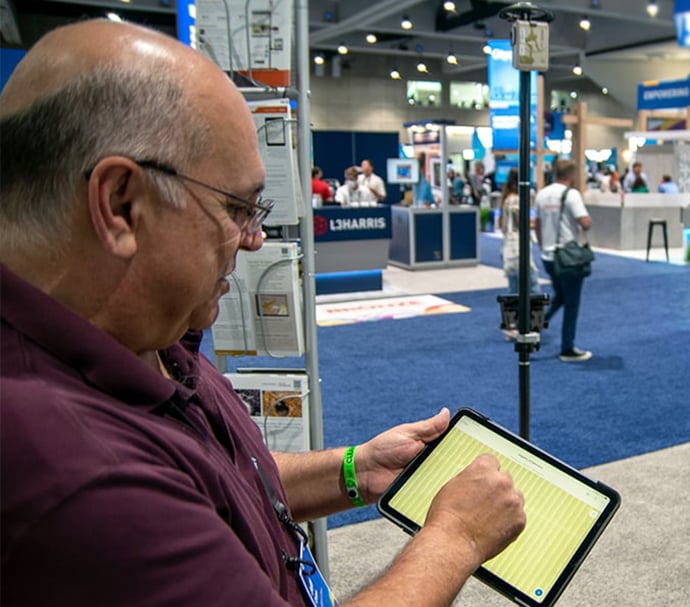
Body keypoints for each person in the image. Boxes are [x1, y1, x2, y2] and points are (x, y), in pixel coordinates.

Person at [0, 20, 526, 606]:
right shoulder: (76, 471)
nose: (254, 240)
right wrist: (454, 539)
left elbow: (219, 475)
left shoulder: (138, 331)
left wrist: (355, 470)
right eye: (237, 208)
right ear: (121, 203)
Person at [536, 159, 592, 362]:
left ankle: (534, 326)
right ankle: (567, 348)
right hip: (568, 258)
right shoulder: (572, 194)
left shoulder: (542, 194)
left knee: (560, 296)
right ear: (571, 175)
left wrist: (543, 246)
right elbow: (585, 222)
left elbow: (537, 225)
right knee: (571, 303)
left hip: (548, 257)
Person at [500, 167, 541, 301]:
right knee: (533, 285)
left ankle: (514, 319)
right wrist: (538, 223)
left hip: (508, 246)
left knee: (514, 288)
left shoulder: (506, 199)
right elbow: (522, 222)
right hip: (518, 247)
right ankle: (534, 319)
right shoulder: (515, 200)